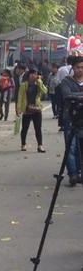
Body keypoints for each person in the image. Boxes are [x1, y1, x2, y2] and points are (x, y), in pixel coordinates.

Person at [59, 55, 83, 186]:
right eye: (78, 67)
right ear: (73, 68)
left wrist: (77, 97)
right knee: (71, 147)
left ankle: (80, 172)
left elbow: (72, 96)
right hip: (70, 118)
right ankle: (72, 173)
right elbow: (67, 95)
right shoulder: (66, 81)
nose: (80, 70)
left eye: (82, 67)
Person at [16, 66, 47, 153]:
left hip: (37, 109)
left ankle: (40, 145)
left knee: (38, 128)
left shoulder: (38, 84)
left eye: (35, 74)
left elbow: (45, 91)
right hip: (27, 109)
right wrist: (18, 109)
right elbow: (20, 97)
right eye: (32, 74)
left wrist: (39, 81)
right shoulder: (24, 85)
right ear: (28, 75)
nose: (33, 75)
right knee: (25, 128)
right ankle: (23, 144)